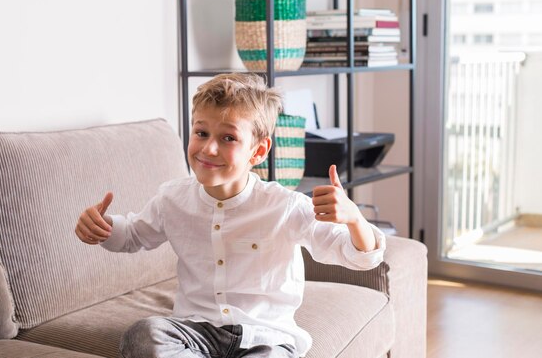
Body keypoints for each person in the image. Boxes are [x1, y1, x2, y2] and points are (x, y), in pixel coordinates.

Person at [75, 73, 386, 358]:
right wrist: (102, 227)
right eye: (201, 132)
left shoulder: (285, 206)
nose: (208, 148)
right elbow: (131, 235)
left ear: (258, 151)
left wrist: (355, 220)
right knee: (143, 335)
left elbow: (361, 257)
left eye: (228, 138)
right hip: (194, 332)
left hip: (266, 337)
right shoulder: (172, 198)